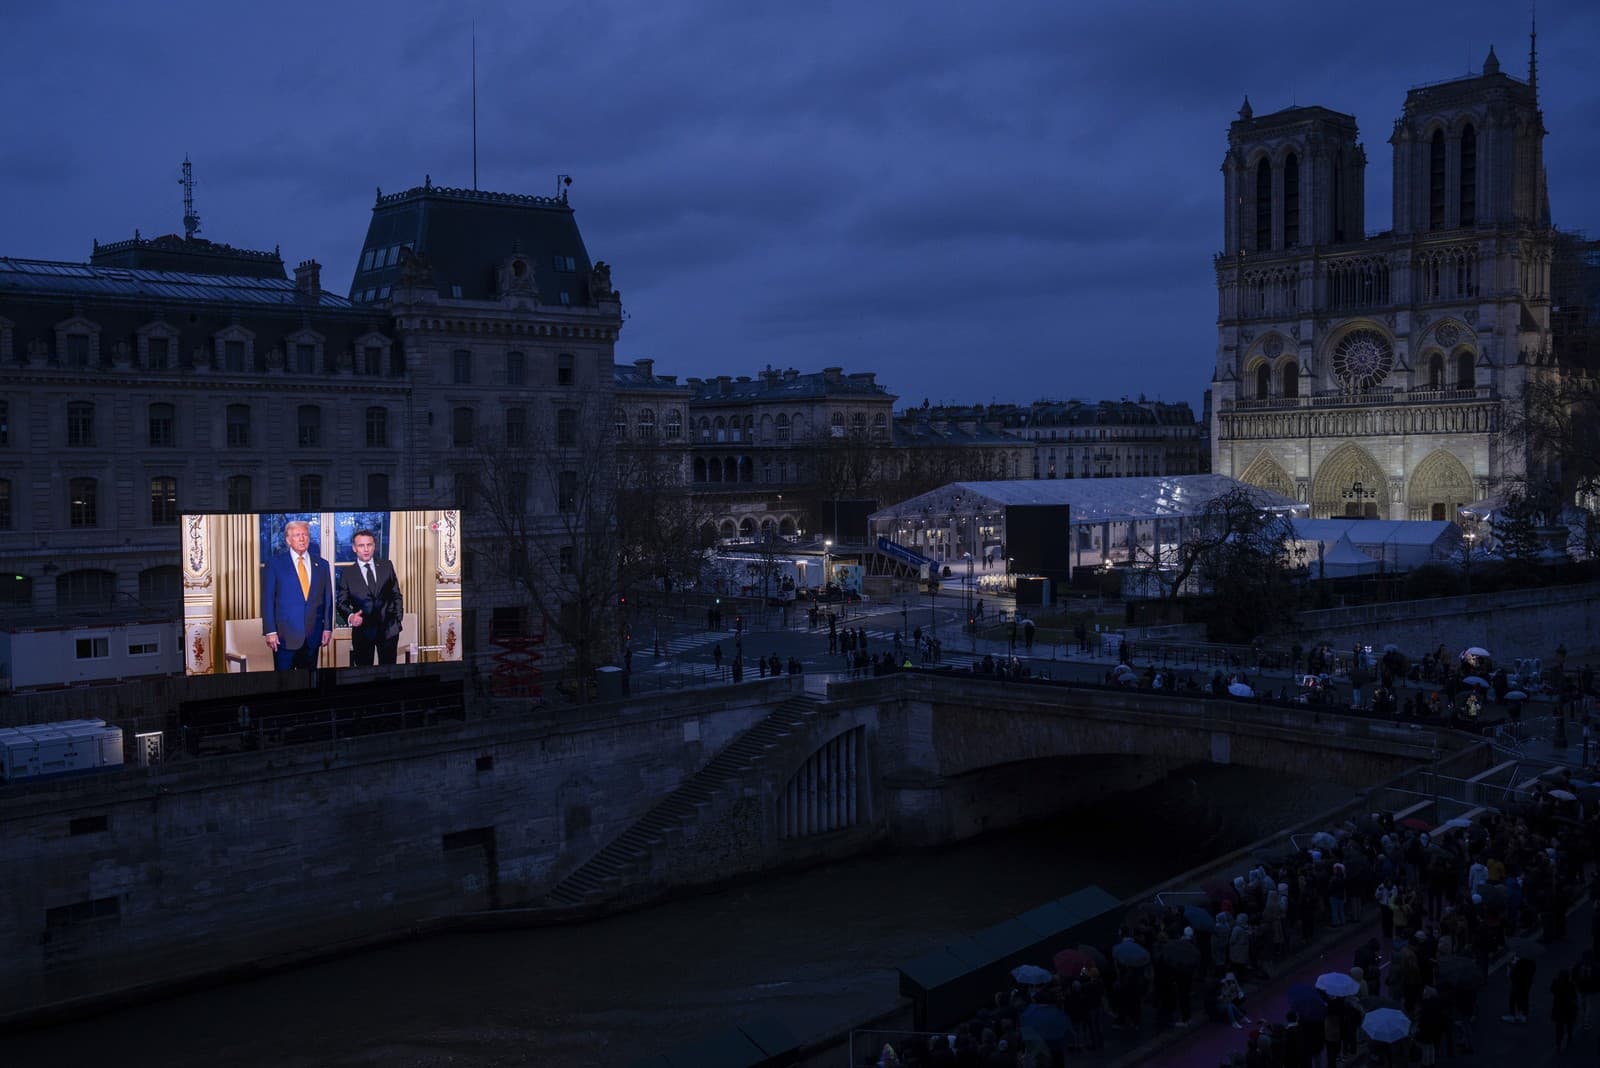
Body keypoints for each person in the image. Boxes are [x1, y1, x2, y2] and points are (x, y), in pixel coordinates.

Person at [262, 519, 333, 672]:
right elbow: (267, 600)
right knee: (283, 684)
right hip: (283, 637)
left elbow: (328, 600)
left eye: (305, 535)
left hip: (312, 636)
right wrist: (270, 631)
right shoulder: (275, 564)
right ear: (288, 540)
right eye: (297, 535)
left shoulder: (322, 564)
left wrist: (327, 628)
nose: (302, 539)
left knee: (308, 683)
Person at [337, 528, 404, 666]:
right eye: (361, 546)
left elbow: (396, 595)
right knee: (364, 675)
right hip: (363, 633)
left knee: (389, 673)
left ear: (374, 546)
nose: (366, 549)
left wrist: (397, 619)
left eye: (369, 545)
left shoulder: (387, 566)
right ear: (354, 548)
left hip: (389, 631)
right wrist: (351, 617)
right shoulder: (348, 573)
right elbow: (341, 603)